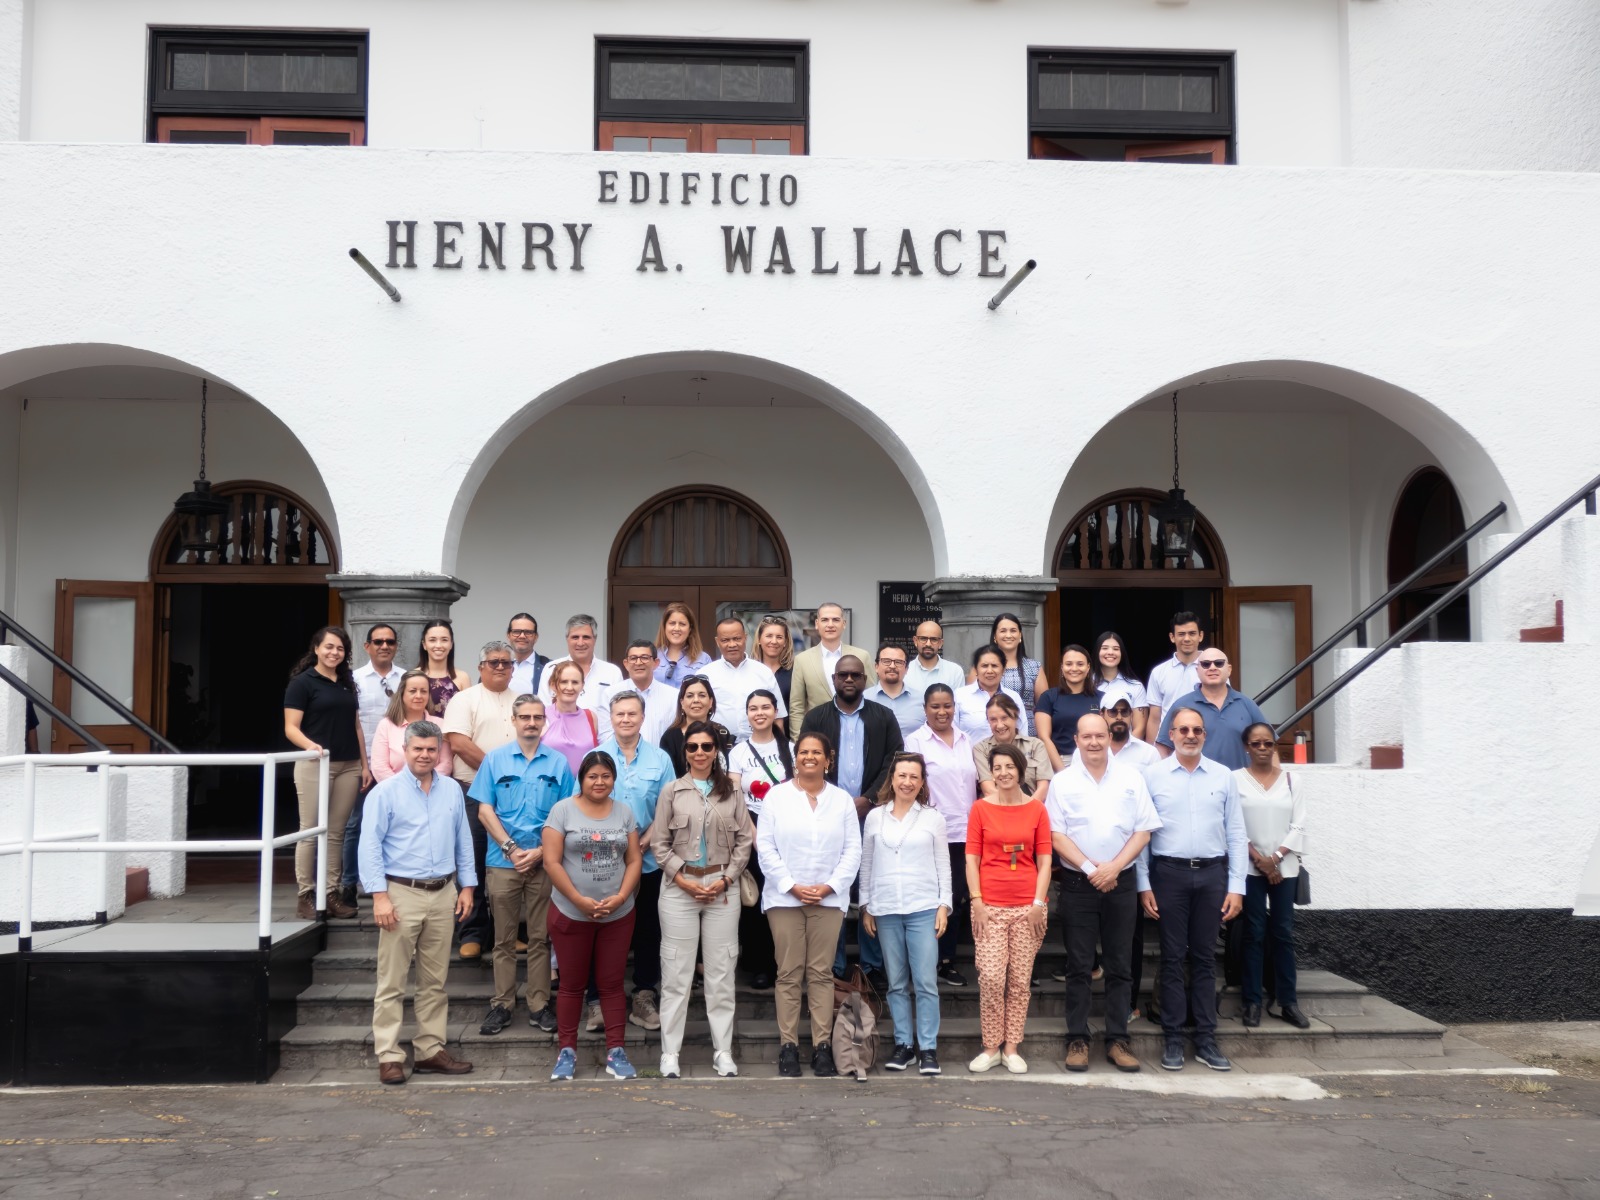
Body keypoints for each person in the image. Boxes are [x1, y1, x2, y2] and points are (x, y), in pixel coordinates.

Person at [358, 720, 476, 1084]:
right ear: (405, 751)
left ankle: (429, 1051)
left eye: (431, 749)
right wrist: (379, 896)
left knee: (434, 981)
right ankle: (390, 1055)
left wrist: (468, 886)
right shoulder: (385, 793)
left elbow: (463, 840)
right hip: (400, 894)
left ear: (439, 751)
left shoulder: (452, 791)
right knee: (392, 981)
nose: (425, 755)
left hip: (443, 894)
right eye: (417, 749)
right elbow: (369, 847)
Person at [1047, 713, 1162, 1074]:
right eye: (1087, 736)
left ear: (1107, 737)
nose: (1094, 742)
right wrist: (1090, 869)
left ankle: (1118, 1040)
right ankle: (1078, 1040)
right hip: (1080, 884)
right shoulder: (1062, 782)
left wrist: (1112, 868)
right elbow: (1056, 835)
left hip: (1121, 882)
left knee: (1120, 965)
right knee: (1079, 965)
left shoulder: (1131, 778)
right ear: (1077, 740)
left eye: (1100, 735)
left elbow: (1143, 831)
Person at [1137, 706, 1248, 1073]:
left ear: (1204, 735)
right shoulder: (1152, 776)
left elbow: (1236, 833)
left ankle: (1205, 1037)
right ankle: (1172, 1036)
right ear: (1171, 733)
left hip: (1213, 875)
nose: (1189, 735)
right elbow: (1143, 835)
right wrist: (1143, 884)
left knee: (1203, 958)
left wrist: (1236, 887)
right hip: (1169, 874)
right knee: (1170, 958)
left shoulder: (1223, 776)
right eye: (1182, 729)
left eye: (1196, 730)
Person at [649, 719, 756, 1079]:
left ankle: (722, 1051)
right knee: (676, 973)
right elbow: (659, 844)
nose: (699, 753)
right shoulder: (671, 792)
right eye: (692, 747)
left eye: (706, 747)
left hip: (722, 889)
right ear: (685, 752)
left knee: (721, 973)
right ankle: (670, 1053)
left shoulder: (732, 792)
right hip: (680, 887)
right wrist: (681, 877)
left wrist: (727, 879)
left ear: (716, 751)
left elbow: (744, 841)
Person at [757, 730, 862, 1078]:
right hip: (785, 898)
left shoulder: (842, 800)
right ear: (796, 758)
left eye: (817, 752)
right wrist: (792, 886)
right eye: (804, 752)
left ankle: (821, 1046)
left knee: (820, 974)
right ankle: (788, 1045)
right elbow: (766, 848)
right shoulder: (776, 798)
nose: (810, 758)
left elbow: (852, 851)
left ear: (827, 760)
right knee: (788, 973)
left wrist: (830, 886)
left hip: (829, 900)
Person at [469, 696, 574, 1037]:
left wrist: (543, 851)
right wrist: (512, 848)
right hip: (503, 862)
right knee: (503, 939)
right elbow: (485, 811)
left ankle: (539, 1005)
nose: (531, 722)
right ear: (513, 720)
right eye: (524, 717)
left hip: (547, 863)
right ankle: (502, 1004)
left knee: (542, 939)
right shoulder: (495, 760)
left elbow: (569, 814)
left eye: (537, 717)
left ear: (545, 721)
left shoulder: (558, 764)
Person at [798, 654, 903, 980]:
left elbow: (894, 760)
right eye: (842, 674)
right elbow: (807, 760)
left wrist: (869, 798)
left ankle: (871, 966)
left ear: (864, 679)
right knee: (834, 887)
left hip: (871, 813)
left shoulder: (883, 716)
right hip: (826, 814)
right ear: (834, 678)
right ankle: (835, 964)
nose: (848, 680)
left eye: (855, 675)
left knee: (869, 887)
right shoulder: (816, 717)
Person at [542, 750, 644, 1082]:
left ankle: (616, 1052)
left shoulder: (624, 812)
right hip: (571, 912)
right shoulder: (562, 811)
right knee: (571, 986)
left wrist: (621, 896)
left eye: (606, 776)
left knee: (612, 985)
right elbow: (551, 862)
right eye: (592, 776)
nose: (599, 782)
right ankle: (567, 1052)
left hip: (617, 914)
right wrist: (578, 899)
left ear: (614, 779)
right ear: (581, 778)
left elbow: (633, 860)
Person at [860, 752, 951, 1076]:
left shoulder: (932, 819)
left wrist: (944, 906)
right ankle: (904, 1045)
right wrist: (866, 907)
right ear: (892, 779)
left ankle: (928, 1048)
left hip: (923, 908)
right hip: (885, 909)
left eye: (914, 777)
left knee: (926, 982)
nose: (907, 782)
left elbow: (943, 865)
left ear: (922, 782)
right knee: (896, 982)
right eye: (902, 776)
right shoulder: (875, 817)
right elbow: (867, 864)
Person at [965, 743, 1052, 1074]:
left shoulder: (1037, 810)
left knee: (1019, 980)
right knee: (989, 977)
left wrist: (1038, 903)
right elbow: (971, 858)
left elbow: (1044, 861)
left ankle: (1011, 1046)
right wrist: (977, 901)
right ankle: (990, 1047)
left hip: (1028, 906)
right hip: (989, 906)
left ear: (1020, 770)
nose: (1002, 773)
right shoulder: (980, 809)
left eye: (1008, 767)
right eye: (996, 767)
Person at [595, 689, 676, 1034]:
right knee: (602, 929)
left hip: (648, 858)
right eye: (619, 714)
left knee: (648, 931)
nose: (626, 719)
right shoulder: (595, 757)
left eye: (632, 714)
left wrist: (643, 841)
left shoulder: (660, 759)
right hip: (602, 859)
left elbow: (668, 806)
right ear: (610, 719)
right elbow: (583, 803)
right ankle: (598, 1001)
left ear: (643, 718)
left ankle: (644, 997)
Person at [441, 640, 521, 960]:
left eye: (505, 662)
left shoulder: (523, 701)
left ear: (513, 668)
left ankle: (510, 932)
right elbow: (459, 743)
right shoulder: (464, 700)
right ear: (480, 667)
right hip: (473, 790)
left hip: (516, 794)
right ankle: (472, 931)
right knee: (471, 860)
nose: (500, 667)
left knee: (510, 864)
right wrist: (498, 773)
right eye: (493, 662)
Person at [283, 625, 369, 921]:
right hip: (315, 763)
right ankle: (305, 895)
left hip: (349, 765)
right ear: (316, 649)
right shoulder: (302, 683)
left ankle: (330, 893)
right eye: (329, 647)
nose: (334, 653)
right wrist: (311, 746)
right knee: (309, 831)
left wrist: (365, 764)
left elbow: (356, 726)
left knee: (336, 832)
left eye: (340, 649)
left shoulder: (347, 683)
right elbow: (291, 727)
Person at [1235, 722, 1310, 1030]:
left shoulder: (1293, 780)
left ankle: (1287, 1001)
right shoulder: (1234, 780)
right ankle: (1252, 1002)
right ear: (1247, 748)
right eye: (1256, 744)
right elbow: (1233, 825)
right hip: (1250, 868)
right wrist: (1260, 860)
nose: (1263, 748)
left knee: (1282, 934)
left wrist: (1276, 858)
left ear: (1275, 746)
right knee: (1253, 934)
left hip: (1285, 868)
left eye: (1268, 743)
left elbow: (1300, 825)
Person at [904, 683, 978, 987]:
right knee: (932, 897)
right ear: (925, 710)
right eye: (935, 706)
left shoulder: (966, 739)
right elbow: (910, 784)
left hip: (967, 831)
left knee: (958, 897)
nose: (942, 711)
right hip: (933, 831)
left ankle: (946, 961)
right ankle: (926, 961)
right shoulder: (916, 740)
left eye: (947, 705)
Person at [342, 623, 409, 906]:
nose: (384, 646)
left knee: (399, 823)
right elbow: (352, 723)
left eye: (390, 641)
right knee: (355, 824)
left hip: (399, 765)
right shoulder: (353, 679)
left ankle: (394, 879)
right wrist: (363, 765)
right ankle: (348, 884)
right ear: (367, 646)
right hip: (363, 763)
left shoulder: (406, 678)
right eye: (378, 641)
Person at [727, 688, 790, 989]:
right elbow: (736, 796)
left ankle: (785, 962)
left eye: (766, 707)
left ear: (776, 711)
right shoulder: (738, 752)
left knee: (784, 894)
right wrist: (754, 835)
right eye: (754, 708)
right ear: (747, 714)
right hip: (750, 825)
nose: (760, 712)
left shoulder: (790, 748)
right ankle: (759, 964)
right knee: (755, 897)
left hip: (787, 827)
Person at [1154, 648, 1268, 770]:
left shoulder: (1246, 704)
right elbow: (1163, 748)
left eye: (1219, 663)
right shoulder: (1181, 705)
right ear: (1197, 671)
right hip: (1196, 784)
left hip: (1239, 785)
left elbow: (1269, 744)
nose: (1212, 667)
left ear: (1229, 669)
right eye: (1206, 664)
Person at [788, 602, 875, 735]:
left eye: (835, 620)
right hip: (817, 733)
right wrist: (799, 741)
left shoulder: (862, 656)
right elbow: (797, 706)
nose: (830, 625)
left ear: (844, 624)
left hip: (856, 730)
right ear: (817, 624)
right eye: (825, 620)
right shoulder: (802, 660)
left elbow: (870, 697)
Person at [537, 614, 625, 736]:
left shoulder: (612, 672)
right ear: (567, 639)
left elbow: (619, 710)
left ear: (595, 639)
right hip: (558, 742)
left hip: (601, 744)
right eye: (575, 637)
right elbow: (543, 709)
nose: (580, 642)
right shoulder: (551, 669)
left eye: (586, 637)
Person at [699, 617, 786, 739]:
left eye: (737, 638)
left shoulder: (763, 672)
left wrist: (778, 747)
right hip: (717, 746)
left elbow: (778, 716)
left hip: (757, 746)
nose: (732, 644)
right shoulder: (705, 675)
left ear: (745, 637)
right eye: (725, 640)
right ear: (717, 641)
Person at [372, 669, 456, 781]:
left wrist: (426, 786)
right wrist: (403, 788)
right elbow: (379, 767)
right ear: (402, 694)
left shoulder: (440, 724)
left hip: (431, 791)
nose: (419, 696)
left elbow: (446, 764)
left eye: (423, 691)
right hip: (395, 792)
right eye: (412, 691)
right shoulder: (386, 725)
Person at [973, 693, 1054, 801]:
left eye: (1004, 718)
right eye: (993, 720)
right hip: (997, 811)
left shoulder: (1035, 745)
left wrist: (1025, 809)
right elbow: (988, 790)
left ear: (1015, 716)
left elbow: (1043, 788)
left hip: (1032, 808)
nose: (1000, 725)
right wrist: (1011, 811)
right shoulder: (981, 749)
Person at [973, 613, 1047, 729]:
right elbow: (972, 700)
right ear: (995, 636)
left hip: (1027, 733)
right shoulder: (982, 667)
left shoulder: (1034, 667)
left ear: (1020, 635)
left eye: (1013, 631)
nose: (1008, 635)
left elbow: (1043, 707)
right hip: (991, 729)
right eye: (1003, 631)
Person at [1034, 644, 1099, 772]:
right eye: (1069, 664)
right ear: (1062, 668)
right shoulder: (1048, 697)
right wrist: (1062, 771)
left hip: (1094, 759)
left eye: (1080, 664)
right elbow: (1044, 737)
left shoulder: (1101, 698)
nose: (1074, 668)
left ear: (1088, 668)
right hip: (1059, 760)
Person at [659, 675, 735, 775]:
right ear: (682, 702)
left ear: (710, 702)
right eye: (690, 696)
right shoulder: (670, 738)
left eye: (702, 695)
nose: (696, 700)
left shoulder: (722, 733)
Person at [1145, 611, 1204, 738]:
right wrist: (1154, 755)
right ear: (1172, 637)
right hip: (1168, 742)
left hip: (1202, 739)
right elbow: (1154, 719)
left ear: (1200, 636)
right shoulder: (1159, 672)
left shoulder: (1214, 668)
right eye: (1181, 634)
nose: (1187, 639)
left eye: (1192, 633)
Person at [954, 644, 1027, 741]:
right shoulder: (960, 696)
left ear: (1003, 669)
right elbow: (952, 733)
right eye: (984, 666)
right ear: (976, 669)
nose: (989, 671)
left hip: (1008, 755)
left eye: (994, 666)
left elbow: (1023, 733)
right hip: (970, 755)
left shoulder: (1013, 697)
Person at [542, 660, 600, 776]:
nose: (569, 687)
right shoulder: (541, 716)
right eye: (564, 682)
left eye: (575, 682)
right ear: (553, 685)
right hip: (552, 789)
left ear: (582, 685)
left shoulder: (591, 717)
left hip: (583, 790)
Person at [618, 638, 679, 744]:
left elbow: (675, 735)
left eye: (644, 658)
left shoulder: (673, 696)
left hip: (661, 759)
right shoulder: (611, 694)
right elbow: (606, 734)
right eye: (633, 658)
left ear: (656, 663)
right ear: (626, 664)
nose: (638, 662)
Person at [1091, 631, 1149, 742]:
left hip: (1127, 751)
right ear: (1097, 651)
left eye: (1116, 649)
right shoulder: (1087, 684)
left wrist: (1123, 749)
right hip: (1094, 748)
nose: (1110, 652)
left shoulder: (1136, 686)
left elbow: (1140, 728)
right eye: (1105, 648)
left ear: (1122, 653)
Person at [865, 643, 924, 737]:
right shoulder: (864, 699)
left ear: (907, 669)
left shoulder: (922, 700)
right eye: (886, 661)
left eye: (898, 662)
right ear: (876, 666)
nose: (892, 666)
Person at [418, 619, 471, 718]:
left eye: (444, 640)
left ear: (451, 644)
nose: (438, 645)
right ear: (424, 644)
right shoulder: (413, 676)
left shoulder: (462, 677)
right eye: (432, 640)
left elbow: (469, 716)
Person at [753, 614, 796, 734]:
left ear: (785, 642)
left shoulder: (795, 672)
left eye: (779, 637)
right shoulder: (750, 671)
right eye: (769, 636)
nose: (774, 641)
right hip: (753, 738)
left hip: (788, 738)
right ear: (759, 640)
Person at [904, 619, 967, 697]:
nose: (928, 644)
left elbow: (958, 704)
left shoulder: (955, 671)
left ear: (940, 643)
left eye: (934, 639)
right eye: (923, 638)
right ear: (915, 641)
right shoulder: (904, 671)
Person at [653, 601, 712, 684]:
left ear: (690, 629)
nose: (677, 628)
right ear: (664, 627)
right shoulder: (652, 657)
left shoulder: (704, 659)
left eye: (682, 624)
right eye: (672, 623)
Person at [1103, 685, 1159, 769]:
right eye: (1113, 712)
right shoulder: (1087, 750)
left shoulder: (1149, 753)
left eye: (1125, 712)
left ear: (1131, 715)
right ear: (1101, 714)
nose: (1119, 717)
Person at [506, 612, 550, 696]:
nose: (522, 636)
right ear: (508, 635)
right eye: (516, 631)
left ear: (536, 637)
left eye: (528, 632)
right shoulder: (497, 667)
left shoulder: (548, 667)